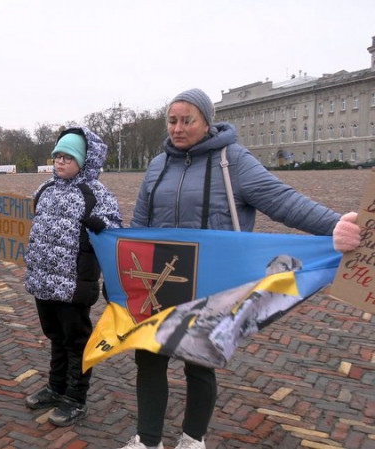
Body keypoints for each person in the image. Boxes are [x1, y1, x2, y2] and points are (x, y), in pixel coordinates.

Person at [121, 88, 361, 449]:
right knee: (149, 357)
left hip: (213, 281)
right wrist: (123, 261)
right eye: (172, 121)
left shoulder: (232, 160)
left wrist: (334, 226)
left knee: (199, 360)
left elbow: (282, 201)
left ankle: (192, 438)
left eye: (188, 120)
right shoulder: (158, 164)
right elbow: (140, 222)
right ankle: (147, 439)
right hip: (161, 278)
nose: (178, 128)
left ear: (206, 121)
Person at [23, 127, 122, 427]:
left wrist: (101, 225)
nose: (61, 162)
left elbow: (115, 231)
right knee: (55, 336)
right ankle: (55, 387)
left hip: (74, 282)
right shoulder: (44, 189)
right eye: (57, 157)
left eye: (68, 157)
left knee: (76, 340)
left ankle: (75, 397)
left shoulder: (96, 194)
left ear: (85, 160)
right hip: (43, 279)